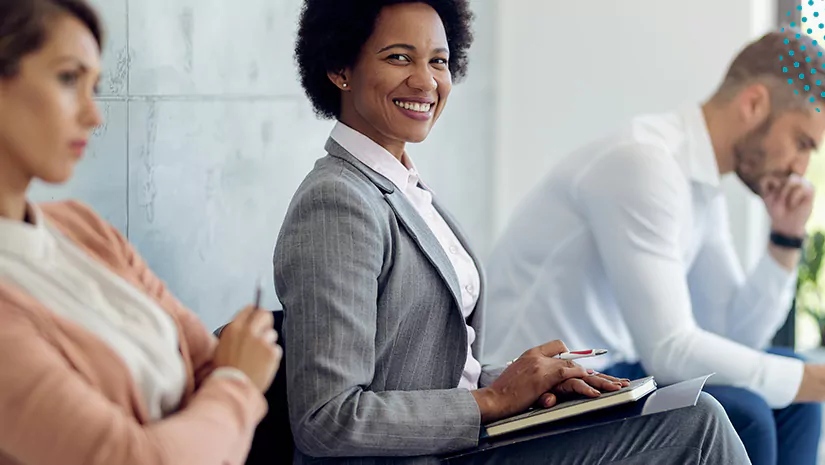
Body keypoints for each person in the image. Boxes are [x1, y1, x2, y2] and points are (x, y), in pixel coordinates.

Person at [274, 1, 751, 464]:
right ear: (340, 68)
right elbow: (326, 418)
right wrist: (496, 400)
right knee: (698, 425)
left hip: (464, 442)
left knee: (687, 407)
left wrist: (531, 380)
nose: (425, 81)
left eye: (438, 61)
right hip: (423, 456)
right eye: (399, 57)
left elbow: (428, 370)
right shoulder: (337, 202)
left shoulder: (404, 189)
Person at [482, 29, 825, 465]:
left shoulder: (700, 186)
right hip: (541, 390)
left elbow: (734, 336)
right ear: (754, 104)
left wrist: (785, 238)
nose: (801, 167)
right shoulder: (644, 164)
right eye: (801, 143)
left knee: (794, 398)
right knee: (751, 411)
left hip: (613, 372)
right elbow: (670, 349)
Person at [0, 1, 283, 464]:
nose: (96, 116)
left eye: (96, 86)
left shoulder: (84, 227)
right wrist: (237, 386)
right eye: (69, 79)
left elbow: (207, 357)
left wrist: (218, 390)